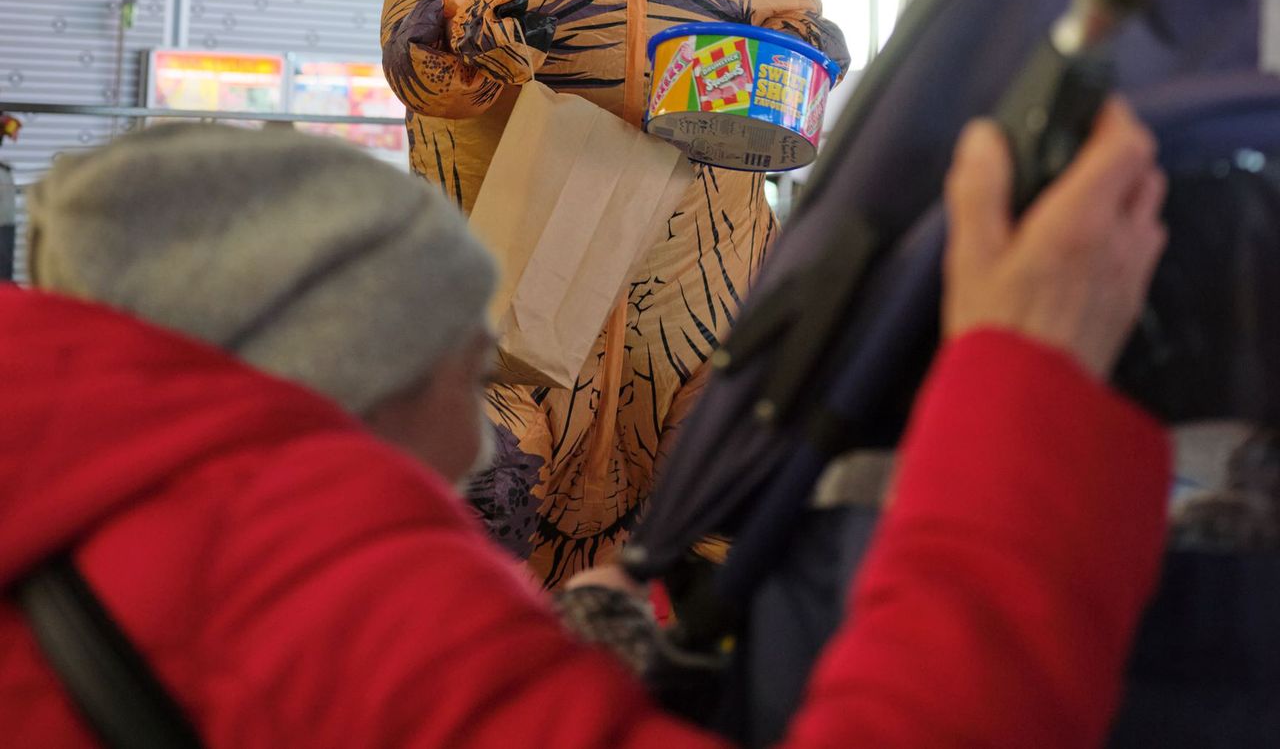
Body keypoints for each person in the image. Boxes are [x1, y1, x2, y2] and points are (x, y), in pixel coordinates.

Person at [1, 103, 1168, 748]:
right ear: (340, 364)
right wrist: (1026, 388)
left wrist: (544, 644)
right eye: (462, 362)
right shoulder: (296, 569)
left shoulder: (98, 496)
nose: (482, 423)